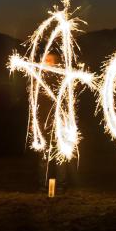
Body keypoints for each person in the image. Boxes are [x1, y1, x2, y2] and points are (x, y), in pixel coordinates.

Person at [34, 51, 73, 193]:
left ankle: (62, 185)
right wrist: (35, 123)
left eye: (48, 60)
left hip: (60, 123)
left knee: (60, 156)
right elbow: (35, 102)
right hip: (43, 123)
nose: (44, 61)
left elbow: (67, 101)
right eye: (44, 59)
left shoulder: (61, 79)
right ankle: (43, 185)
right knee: (44, 156)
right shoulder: (39, 79)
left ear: (55, 62)